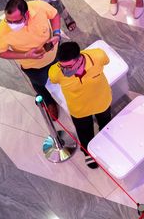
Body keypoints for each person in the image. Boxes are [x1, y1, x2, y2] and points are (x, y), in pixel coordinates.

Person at [49, 41, 116, 169]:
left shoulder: (98, 56)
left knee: (105, 122)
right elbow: (54, 79)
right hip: (78, 108)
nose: (65, 70)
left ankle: (106, 141)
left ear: (79, 59)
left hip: (101, 100)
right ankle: (87, 151)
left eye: (69, 66)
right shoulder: (55, 72)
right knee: (83, 130)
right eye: (62, 66)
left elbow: (106, 61)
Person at [0, 0, 62, 117]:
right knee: (40, 84)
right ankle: (49, 101)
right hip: (33, 66)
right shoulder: (2, 31)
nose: (12, 25)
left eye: (16, 21)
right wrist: (25, 55)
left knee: (61, 74)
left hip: (55, 54)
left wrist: (56, 34)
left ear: (27, 14)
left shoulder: (39, 7)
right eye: (9, 21)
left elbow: (55, 15)